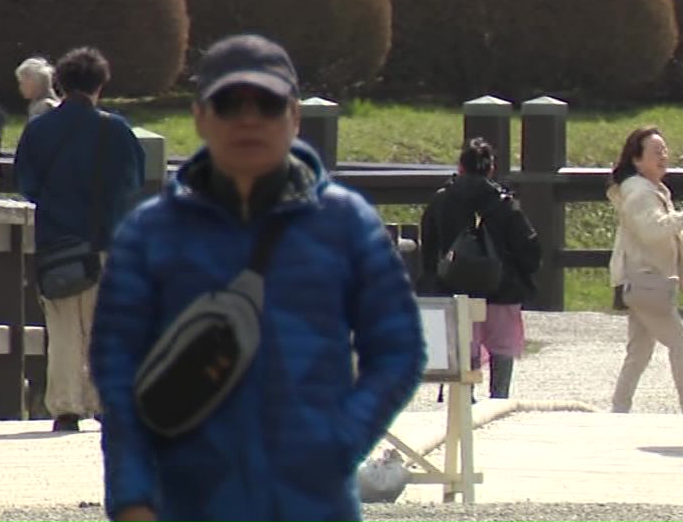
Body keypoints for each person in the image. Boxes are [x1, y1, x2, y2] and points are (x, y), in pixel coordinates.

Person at [91, 34, 424, 522]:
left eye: (266, 103)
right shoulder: (150, 234)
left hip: (311, 502)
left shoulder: (346, 224)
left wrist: (339, 440)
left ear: (294, 116)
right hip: (186, 498)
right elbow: (117, 369)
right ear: (200, 116)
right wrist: (132, 494)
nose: (248, 118)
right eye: (229, 103)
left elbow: (399, 347)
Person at [14, 47, 146, 433]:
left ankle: (66, 408)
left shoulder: (39, 130)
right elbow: (134, 182)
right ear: (100, 85)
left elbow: (27, 183)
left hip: (57, 244)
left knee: (63, 328)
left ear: (61, 84)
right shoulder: (117, 130)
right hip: (107, 241)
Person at [420, 138, 542, 399]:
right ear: (490, 169)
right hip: (501, 288)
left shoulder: (441, 201)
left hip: (453, 287)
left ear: (460, 167)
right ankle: (499, 399)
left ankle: (464, 400)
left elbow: (428, 247)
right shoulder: (503, 203)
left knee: (465, 344)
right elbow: (529, 248)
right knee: (503, 346)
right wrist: (522, 274)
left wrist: (432, 280)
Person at [608, 126, 683, 414]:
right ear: (637, 160)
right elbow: (654, 230)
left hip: (643, 282)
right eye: (656, 152)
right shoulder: (640, 193)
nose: (663, 156)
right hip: (647, 281)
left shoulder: (652, 191)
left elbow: (670, 242)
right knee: (681, 344)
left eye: (664, 150)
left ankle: (619, 408)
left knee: (639, 352)